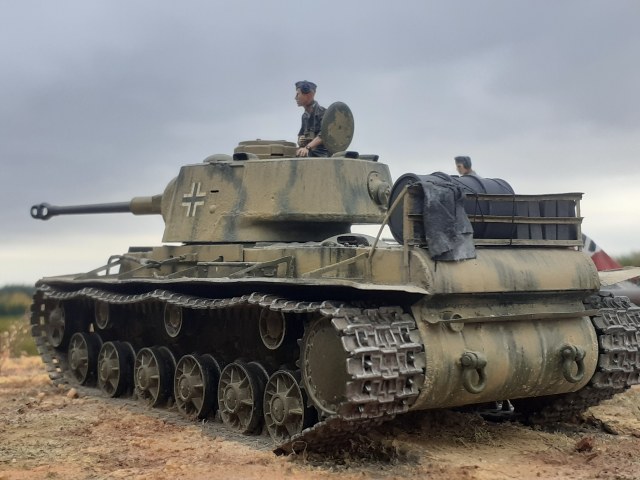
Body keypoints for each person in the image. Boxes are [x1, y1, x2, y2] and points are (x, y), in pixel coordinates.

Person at [295, 80, 329, 157]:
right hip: (309, 152)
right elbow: (301, 134)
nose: (295, 97)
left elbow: (323, 135)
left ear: (309, 95)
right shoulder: (305, 116)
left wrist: (307, 147)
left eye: (298, 94)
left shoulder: (323, 113)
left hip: (322, 154)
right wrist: (300, 140)